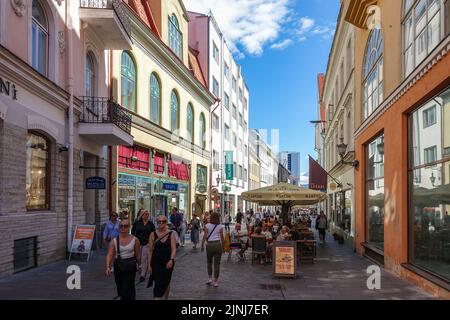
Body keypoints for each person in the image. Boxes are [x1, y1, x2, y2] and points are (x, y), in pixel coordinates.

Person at [105, 219, 141, 300]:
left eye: (126, 226)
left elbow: (138, 254)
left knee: (128, 286)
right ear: (119, 227)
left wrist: (139, 265)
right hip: (118, 265)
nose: (123, 228)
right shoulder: (114, 241)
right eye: (121, 226)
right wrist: (107, 267)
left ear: (129, 227)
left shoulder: (135, 240)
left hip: (130, 265)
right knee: (120, 286)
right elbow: (109, 255)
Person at [148, 215, 177, 300]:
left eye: (163, 221)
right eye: (159, 221)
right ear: (156, 223)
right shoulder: (152, 234)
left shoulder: (171, 233)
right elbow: (150, 250)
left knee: (166, 282)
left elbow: (174, 248)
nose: (161, 223)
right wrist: (149, 265)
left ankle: (165, 298)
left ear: (166, 222)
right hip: (156, 262)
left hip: (168, 262)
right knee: (158, 282)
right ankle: (157, 297)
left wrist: (171, 259)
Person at [201, 212, 225, 287]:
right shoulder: (220, 226)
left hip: (210, 245)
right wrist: (223, 247)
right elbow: (222, 238)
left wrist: (202, 245)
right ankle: (216, 282)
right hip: (218, 245)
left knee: (209, 262)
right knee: (217, 264)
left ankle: (210, 279)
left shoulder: (207, 225)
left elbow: (204, 236)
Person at [131, 210, 155, 282]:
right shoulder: (137, 223)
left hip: (146, 243)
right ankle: (138, 268)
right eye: (145, 214)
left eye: (148, 214)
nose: (147, 216)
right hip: (138, 243)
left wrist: (151, 242)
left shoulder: (150, 224)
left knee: (144, 258)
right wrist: (133, 239)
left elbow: (153, 233)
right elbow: (132, 231)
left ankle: (142, 275)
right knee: (137, 257)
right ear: (142, 215)